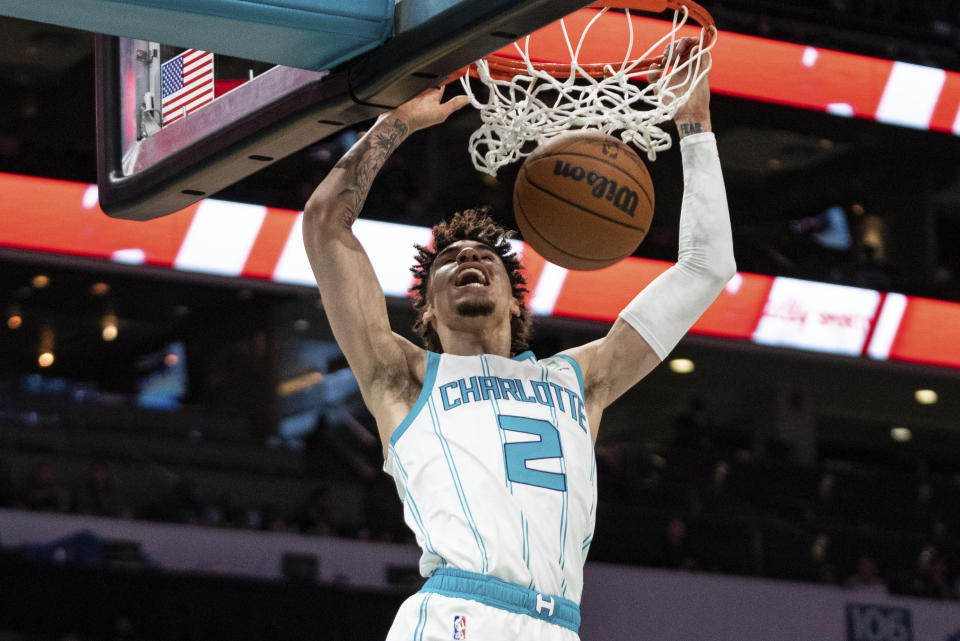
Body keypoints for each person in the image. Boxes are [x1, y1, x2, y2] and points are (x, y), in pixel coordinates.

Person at [302, 36, 734, 641]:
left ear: (514, 298)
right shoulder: (403, 377)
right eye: (451, 261)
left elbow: (706, 269)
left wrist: (694, 126)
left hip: (559, 626)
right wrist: (396, 124)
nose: (470, 259)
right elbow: (325, 224)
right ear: (426, 309)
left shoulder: (584, 381)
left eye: (485, 257)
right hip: (458, 614)